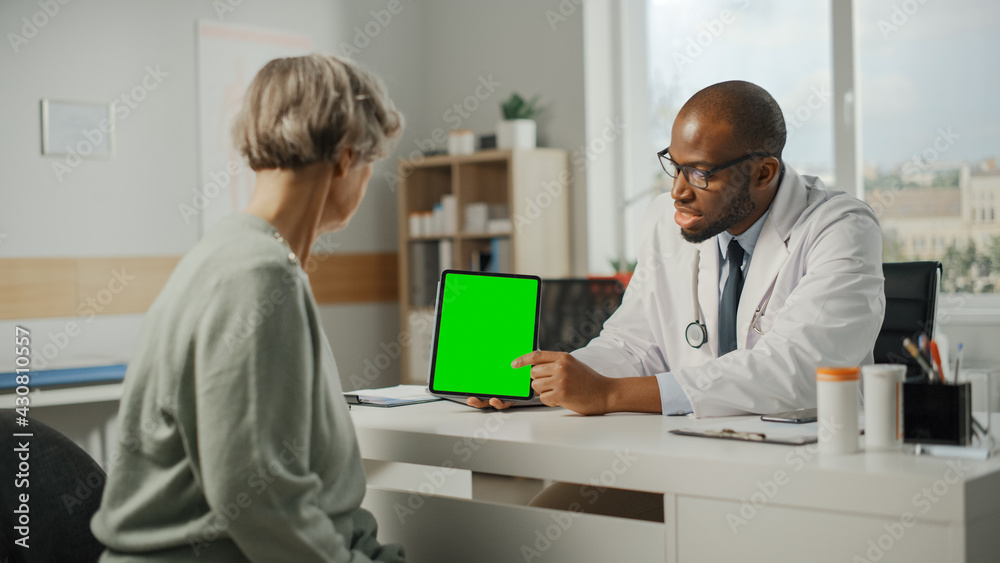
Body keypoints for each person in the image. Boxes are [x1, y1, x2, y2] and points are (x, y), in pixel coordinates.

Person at [91, 54, 405, 562]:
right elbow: (259, 497)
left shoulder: (241, 256)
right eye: (371, 165)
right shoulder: (256, 277)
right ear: (346, 159)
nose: (366, 182)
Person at [470, 80, 885, 419]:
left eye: (700, 173)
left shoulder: (840, 227)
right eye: (674, 164)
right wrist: (546, 385)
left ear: (763, 173)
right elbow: (633, 345)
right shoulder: (665, 219)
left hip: (804, 458)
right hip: (687, 447)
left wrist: (611, 395)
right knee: (556, 511)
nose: (677, 191)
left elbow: (798, 370)